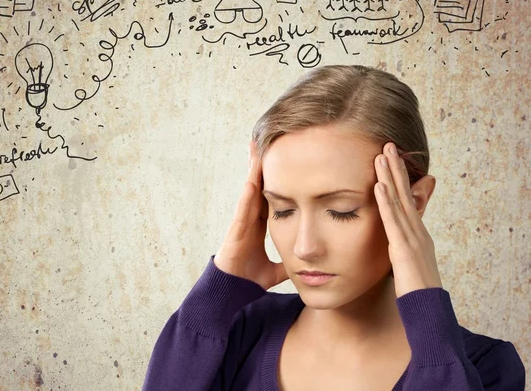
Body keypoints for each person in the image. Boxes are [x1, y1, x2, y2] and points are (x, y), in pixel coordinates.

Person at [142, 65, 525, 390]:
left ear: (415, 202)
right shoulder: (232, 334)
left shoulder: (483, 367)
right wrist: (213, 298)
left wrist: (426, 304)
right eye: (282, 209)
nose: (305, 247)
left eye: (341, 211)